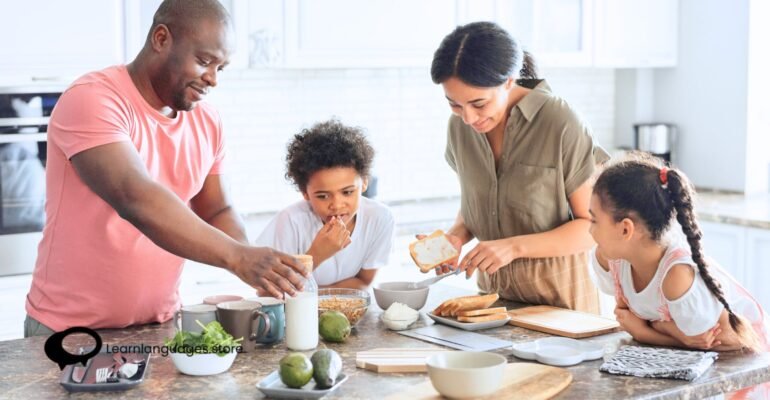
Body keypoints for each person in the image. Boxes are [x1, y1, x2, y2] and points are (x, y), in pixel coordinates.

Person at [24, 0, 307, 337]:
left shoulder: (206, 120)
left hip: (159, 326)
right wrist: (238, 258)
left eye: (221, 67)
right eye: (204, 61)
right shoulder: (93, 99)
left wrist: (253, 264)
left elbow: (217, 208)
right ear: (161, 38)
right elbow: (135, 197)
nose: (213, 79)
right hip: (70, 332)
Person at [428, 21, 608, 312]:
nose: (469, 118)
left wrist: (513, 247)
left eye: (479, 104)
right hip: (492, 305)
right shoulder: (459, 129)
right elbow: (479, 205)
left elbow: (593, 227)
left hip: (562, 307)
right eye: (455, 105)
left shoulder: (559, 121)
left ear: (510, 80)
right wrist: (455, 237)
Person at [589, 153, 768, 352]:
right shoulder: (612, 258)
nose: (589, 230)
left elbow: (728, 340)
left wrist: (648, 331)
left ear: (625, 229)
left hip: (746, 358)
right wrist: (669, 331)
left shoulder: (677, 276)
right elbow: (627, 318)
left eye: (594, 220)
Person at [256, 120, 395, 290]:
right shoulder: (290, 221)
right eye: (322, 196)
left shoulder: (380, 218)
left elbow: (364, 281)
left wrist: (321, 299)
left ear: (364, 182)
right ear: (304, 192)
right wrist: (317, 254)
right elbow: (266, 291)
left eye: (347, 192)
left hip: (343, 312)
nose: (336, 205)